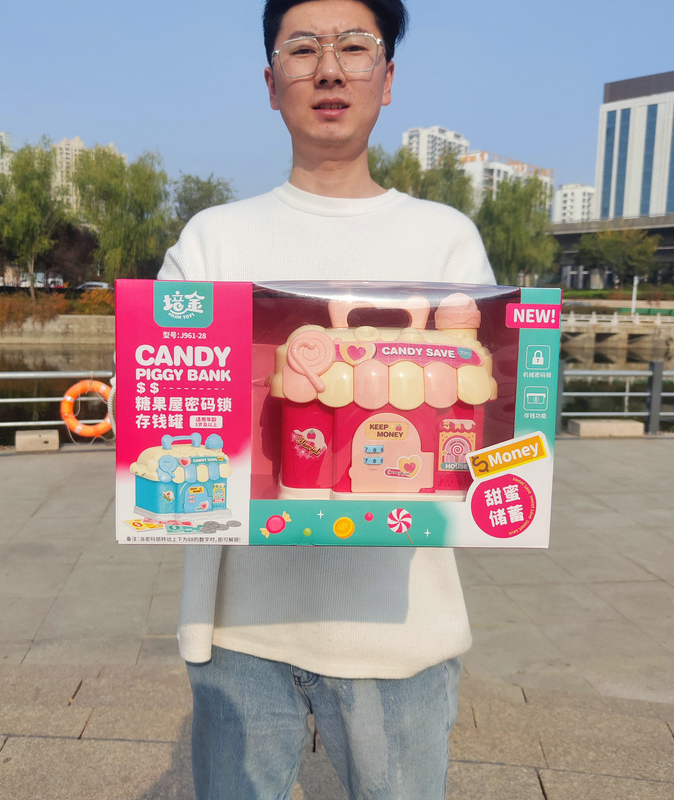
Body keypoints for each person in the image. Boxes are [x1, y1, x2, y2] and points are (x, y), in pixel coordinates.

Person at [158, 1, 496, 797]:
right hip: (242, 631)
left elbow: (477, 420)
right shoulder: (212, 239)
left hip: (400, 633)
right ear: (270, 81)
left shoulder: (445, 238)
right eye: (304, 49)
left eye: (355, 47)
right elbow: (163, 401)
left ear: (388, 77)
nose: (331, 69)